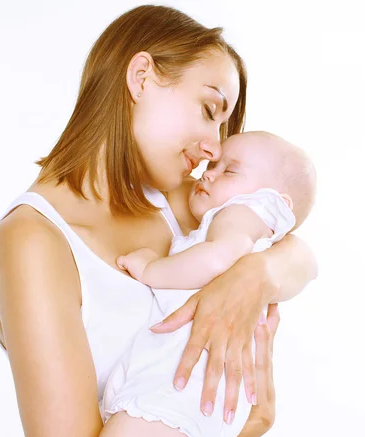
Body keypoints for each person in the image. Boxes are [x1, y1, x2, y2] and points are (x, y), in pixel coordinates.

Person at [0, 5, 318, 437]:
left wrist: (256, 274)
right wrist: (254, 426)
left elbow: (300, 252)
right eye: (208, 109)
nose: (215, 148)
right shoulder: (31, 242)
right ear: (141, 77)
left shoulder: (180, 201)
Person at [100, 132, 316, 437]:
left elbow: (217, 259)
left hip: (180, 392)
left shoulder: (242, 213)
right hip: (190, 397)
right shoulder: (238, 226)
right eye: (211, 167)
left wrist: (151, 268)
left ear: (274, 203)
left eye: (228, 170)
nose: (208, 175)